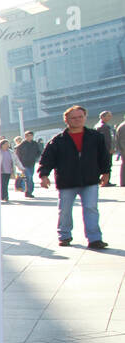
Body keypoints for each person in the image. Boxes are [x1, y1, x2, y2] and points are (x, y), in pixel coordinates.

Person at [39, 105, 110, 248]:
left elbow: (104, 156)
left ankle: (94, 238)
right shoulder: (58, 140)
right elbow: (47, 159)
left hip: (89, 179)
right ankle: (64, 236)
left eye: (80, 117)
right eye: (73, 118)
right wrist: (44, 175)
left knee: (91, 208)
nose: (77, 120)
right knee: (65, 210)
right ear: (66, 120)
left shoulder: (96, 137)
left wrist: (106, 172)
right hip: (67, 181)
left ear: (85, 117)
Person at [15, 130, 41, 199]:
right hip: (24, 164)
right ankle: (28, 192)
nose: (30, 137)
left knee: (30, 177)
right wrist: (19, 164)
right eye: (28, 136)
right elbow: (18, 155)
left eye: (31, 135)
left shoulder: (35, 143)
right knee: (28, 177)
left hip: (32, 163)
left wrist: (35, 157)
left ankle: (29, 191)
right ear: (25, 137)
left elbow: (39, 152)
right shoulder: (22, 145)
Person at [94, 111, 115, 186]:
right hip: (106, 150)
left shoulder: (98, 125)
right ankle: (106, 181)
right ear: (103, 117)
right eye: (108, 116)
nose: (110, 117)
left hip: (101, 149)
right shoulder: (104, 126)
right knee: (107, 165)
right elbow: (106, 140)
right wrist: (110, 149)